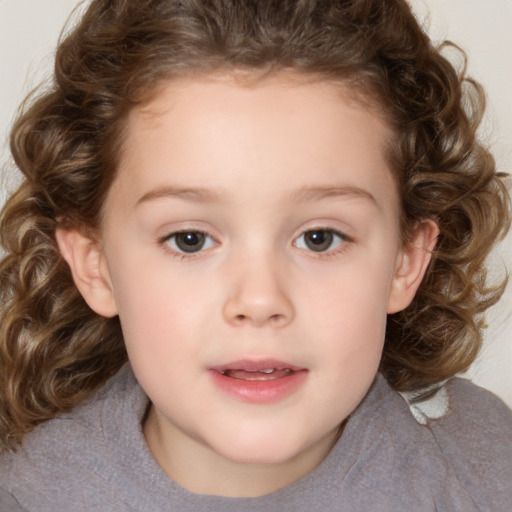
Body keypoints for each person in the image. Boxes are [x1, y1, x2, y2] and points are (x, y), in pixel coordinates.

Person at [0, 0, 511, 510]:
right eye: (190, 239)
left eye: (320, 238)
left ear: (405, 261)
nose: (261, 300)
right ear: (96, 265)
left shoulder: (486, 471)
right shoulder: (26, 493)